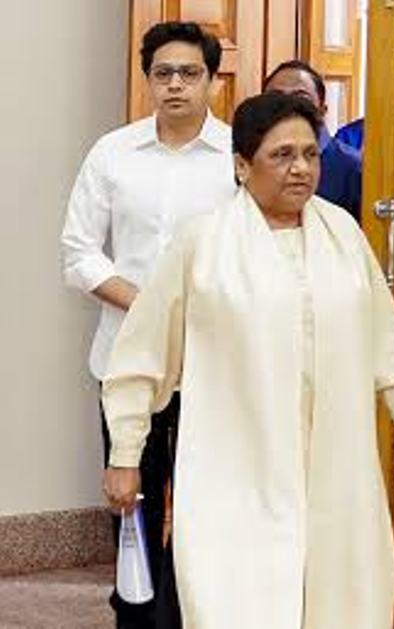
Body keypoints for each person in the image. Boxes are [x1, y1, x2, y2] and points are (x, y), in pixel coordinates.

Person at [102, 92, 394, 629]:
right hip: (236, 469)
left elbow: (385, 336)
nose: (301, 168)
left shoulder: (344, 234)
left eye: (310, 154)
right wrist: (125, 453)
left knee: (343, 596)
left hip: (335, 467)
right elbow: (141, 357)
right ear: (241, 165)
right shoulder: (202, 244)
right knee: (240, 600)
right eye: (282, 155)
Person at [61, 21, 236, 629]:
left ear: (212, 80)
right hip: (125, 358)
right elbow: (79, 252)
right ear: (148, 81)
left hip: (212, 362)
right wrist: (149, 307)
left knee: (204, 507)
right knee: (129, 499)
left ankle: (191, 615)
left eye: (189, 73)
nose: (175, 85)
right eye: (163, 73)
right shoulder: (113, 153)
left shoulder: (237, 158)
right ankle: (135, 615)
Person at [263, 60, 362, 222]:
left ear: (322, 110)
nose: (287, 106)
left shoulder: (353, 167)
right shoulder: (253, 161)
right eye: (275, 97)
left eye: (301, 98)